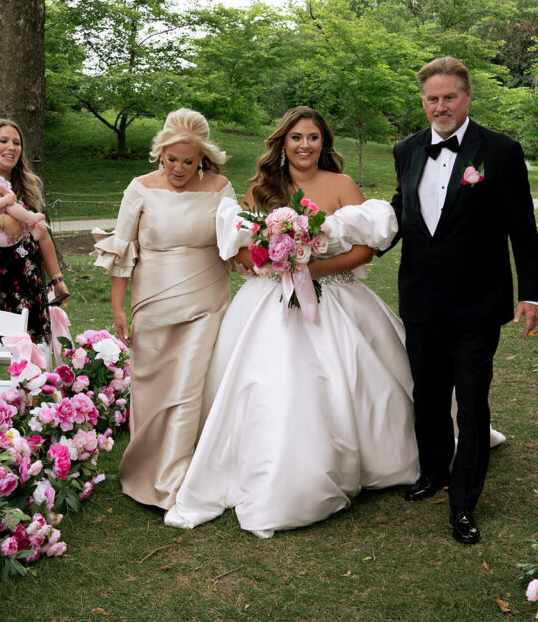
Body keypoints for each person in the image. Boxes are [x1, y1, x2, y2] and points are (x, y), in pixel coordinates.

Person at [165, 106, 419, 539]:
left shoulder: (342, 185)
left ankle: (373, 459)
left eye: (313, 137)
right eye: (296, 137)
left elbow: (365, 250)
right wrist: (273, 263)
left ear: (325, 143)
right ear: (282, 142)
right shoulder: (262, 188)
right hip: (269, 299)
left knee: (354, 376)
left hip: (335, 294)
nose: (305, 145)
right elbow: (238, 249)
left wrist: (308, 269)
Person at [390, 57, 538, 545]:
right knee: (428, 394)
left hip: (478, 301)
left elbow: (522, 226)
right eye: (432, 99)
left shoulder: (499, 150)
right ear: (423, 101)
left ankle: (463, 500)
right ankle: (433, 470)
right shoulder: (405, 150)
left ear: (467, 96)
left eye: (449, 97)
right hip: (420, 298)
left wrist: (532, 293)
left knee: (472, 401)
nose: (440, 107)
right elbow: (400, 214)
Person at [93, 108, 234, 510]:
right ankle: (145, 467)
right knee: (152, 388)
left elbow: (232, 242)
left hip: (206, 301)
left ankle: (177, 483)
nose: (179, 168)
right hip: (152, 301)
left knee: (189, 388)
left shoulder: (221, 189)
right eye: (172, 159)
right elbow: (121, 251)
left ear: (203, 157)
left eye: (189, 161)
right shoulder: (139, 188)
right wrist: (120, 310)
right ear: (161, 153)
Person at [0, 119, 68, 381]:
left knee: (28, 354)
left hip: (23, 279)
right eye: (3, 141)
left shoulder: (26, 185)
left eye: (17, 142)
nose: (11, 146)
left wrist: (57, 279)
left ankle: (27, 418)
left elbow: (43, 235)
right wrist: (4, 220)